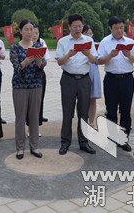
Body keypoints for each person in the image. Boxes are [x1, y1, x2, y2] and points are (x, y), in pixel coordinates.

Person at [98, 16, 134, 151]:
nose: (119, 31)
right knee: (111, 111)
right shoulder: (105, 42)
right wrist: (111, 55)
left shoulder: (130, 42)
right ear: (110, 28)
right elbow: (99, 61)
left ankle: (123, 140)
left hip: (127, 79)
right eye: (116, 28)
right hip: (111, 79)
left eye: (121, 28)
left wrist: (128, 55)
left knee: (125, 110)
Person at [56, 13, 98, 155]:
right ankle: (65, 142)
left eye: (80, 26)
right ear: (69, 27)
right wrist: (69, 54)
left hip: (85, 80)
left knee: (83, 112)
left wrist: (88, 54)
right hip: (68, 79)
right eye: (75, 26)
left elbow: (94, 61)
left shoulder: (88, 41)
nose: (78, 29)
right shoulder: (63, 41)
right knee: (67, 112)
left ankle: (84, 142)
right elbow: (59, 62)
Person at [10, 20, 46, 159]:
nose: (29, 32)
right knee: (20, 118)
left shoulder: (38, 45)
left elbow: (42, 66)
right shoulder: (15, 48)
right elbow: (17, 68)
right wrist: (25, 62)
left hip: (36, 85)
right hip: (20, 85)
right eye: (26, 29)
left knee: (34, 117)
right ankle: (20, 148)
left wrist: (38, 62)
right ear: (20, 31)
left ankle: (34, 146)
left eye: (31, 29)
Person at [27, 23, 50, 132]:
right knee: (28, 103)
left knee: (38, 101)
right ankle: (28, 127)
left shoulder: (42, 43)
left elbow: (46, 60)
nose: (35, 35)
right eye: (33, 32)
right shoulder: (24, 44)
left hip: (40, 76)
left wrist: (40, 62)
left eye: (37, 33)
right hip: (27, 77)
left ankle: (35, 127)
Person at [82, 25, 102, 127]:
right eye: (87, 34)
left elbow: (98, 60)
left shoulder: (95, 45)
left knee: (92, 98)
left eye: (90, 34)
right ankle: (83, 122)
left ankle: (91, 122)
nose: (89, 36)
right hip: (83, 70)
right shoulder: (79, 44)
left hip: (93, 70)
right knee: (81, 99)